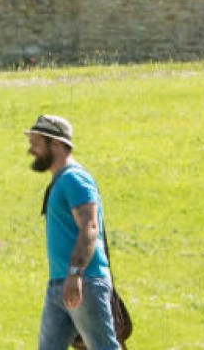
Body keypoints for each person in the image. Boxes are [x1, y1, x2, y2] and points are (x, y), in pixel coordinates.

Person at [26, 115, 120, 350]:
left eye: (36, 143)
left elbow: (89, 227)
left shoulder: (75, 179)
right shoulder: (61, 180)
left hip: (84, 281)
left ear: (56, 143)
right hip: (60, 283)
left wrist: (75, 274)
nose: (31, 150)